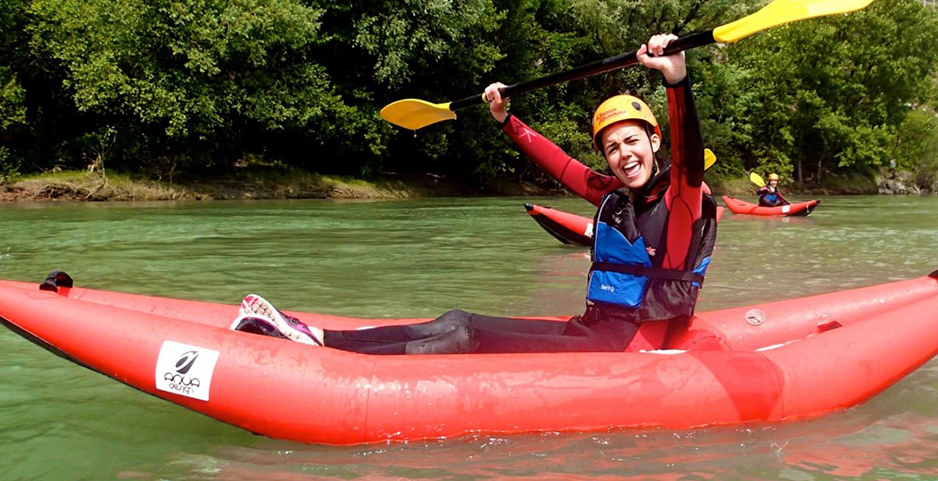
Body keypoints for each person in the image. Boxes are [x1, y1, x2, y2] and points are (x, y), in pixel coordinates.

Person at [231, 33, 716, 355]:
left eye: (632, 141)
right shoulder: (613, 198)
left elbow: (690, 161)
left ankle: (324, 355)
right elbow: (561, 164)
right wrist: (506, 120)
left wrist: (677, 80)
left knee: (466, 335)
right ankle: (315, 336)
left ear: (655, 142)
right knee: (457, 317)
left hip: (627, 349)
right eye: (611, 147)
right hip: (592, 329)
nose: (622, 154)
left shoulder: (679, 205)